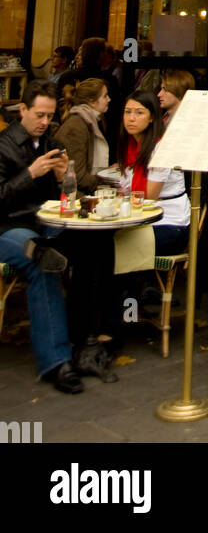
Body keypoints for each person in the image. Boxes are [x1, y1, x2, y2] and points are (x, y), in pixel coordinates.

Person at [0, 81, 83, 392]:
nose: (44, 122)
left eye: (50, 116)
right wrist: (29, 174)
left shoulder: (50, 143)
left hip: (43, 223)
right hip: (7, 229)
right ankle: (57, 361)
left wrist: (64, 179)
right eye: (39, 115)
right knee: (43, 258)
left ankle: (90, 340)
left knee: (90, 243)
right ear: (22, 110)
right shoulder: (3, 144)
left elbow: (62, 199)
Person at [117, 91, 190, 254]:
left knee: (113, 245)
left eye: (139, 112)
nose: (131, 118)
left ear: (152, 118)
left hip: (169, 224)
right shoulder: (130, 146)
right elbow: (124, 189)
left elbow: (148, 197)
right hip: (139, 220)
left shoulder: (161, 149)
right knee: (95, 240)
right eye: (127, 112)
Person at [55, 78, 111, 192]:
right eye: (105, 96)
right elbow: (77, 177)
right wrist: (108, 182)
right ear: (92, 101)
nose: (109, 99)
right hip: (75, 197)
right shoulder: (76, 127)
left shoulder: (90, 121)